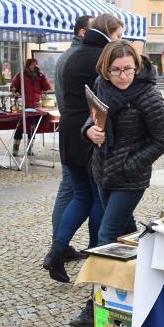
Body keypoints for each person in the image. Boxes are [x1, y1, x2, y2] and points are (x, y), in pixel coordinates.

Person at [43, 14, 123, 286]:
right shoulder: (102, 56)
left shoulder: (71, 55)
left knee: (79, 196)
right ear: (110, 33)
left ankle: (56, 250)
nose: (119, 42)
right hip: (91, 133)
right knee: (98, 200)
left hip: (69, 131)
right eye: (118, 36)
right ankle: (94, 256)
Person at [85, 40, 164, 247]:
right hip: (103, 170)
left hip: (130, 177)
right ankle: (140, 272)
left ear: (136, 67)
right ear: (105, 70)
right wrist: (88, 131)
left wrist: (128, 166)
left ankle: (105, 280)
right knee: (126, 229)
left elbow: (160, 142)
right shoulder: (101, 85)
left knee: (106, 234)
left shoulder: (149, 96)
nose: (123, 76)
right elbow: (94, 116)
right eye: (115, 70)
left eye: (128, 69)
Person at [49, 14, 93, 263]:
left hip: (71, 128)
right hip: (76, 131)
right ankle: (59, 244)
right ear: (83, 32)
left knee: (70, 190)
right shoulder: (74, 57)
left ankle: (60, 243)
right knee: (70, 191)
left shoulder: (68, 56)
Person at [9, 58, 51, 157]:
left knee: (33, 128)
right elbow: (13, 87)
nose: (34, 66)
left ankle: (29, 148)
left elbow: (47, 87)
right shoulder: (21, 75)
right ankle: (15, 148)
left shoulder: (39, 76)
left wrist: (43, 75)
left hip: (36, 106)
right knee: (20, 127)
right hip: (24, 105)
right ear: (28, 65)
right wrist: (14, 91)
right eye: (33, 64)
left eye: (36, 64)